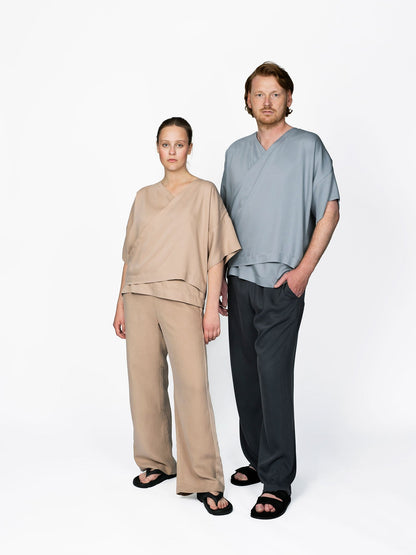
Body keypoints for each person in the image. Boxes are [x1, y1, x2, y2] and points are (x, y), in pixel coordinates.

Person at [219, 62, 340, 519]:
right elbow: (224, 222)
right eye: (258, 94)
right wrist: (221, 279)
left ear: (288, 99)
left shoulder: (308, 147)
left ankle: (277, 480)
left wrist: (303, 271)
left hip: (281, 283)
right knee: (246, 379)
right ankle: (257, 458)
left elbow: (329, 210)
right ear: (247, 101)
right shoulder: (235, 154)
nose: (266, 101)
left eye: (275, 93)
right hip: (239, 280)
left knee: (273, 378)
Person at [113, 117, 241, 516]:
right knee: (144, 384)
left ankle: (204, 479)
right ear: (157, 148)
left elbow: (216, 254)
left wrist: (210, 308)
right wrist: (120, 303)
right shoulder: (143, 196)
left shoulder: (204, 193)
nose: (172, 151)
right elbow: (130, 254)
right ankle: (156, 461)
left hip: (183, 297)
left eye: (179, 144)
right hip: (138, 294)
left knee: (193, 387)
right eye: (165, 144)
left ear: (189, 148)